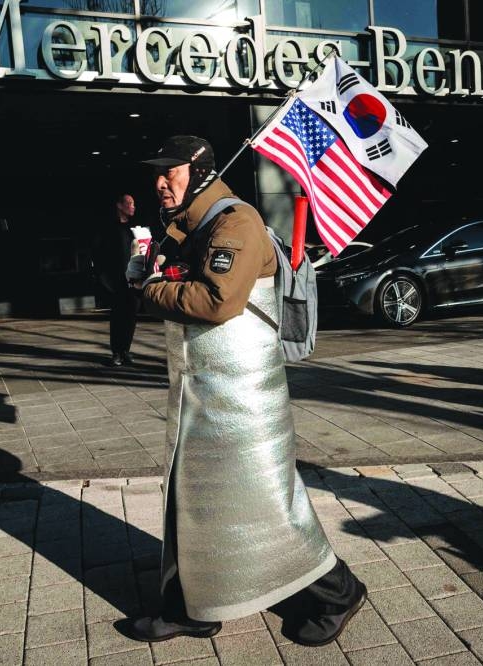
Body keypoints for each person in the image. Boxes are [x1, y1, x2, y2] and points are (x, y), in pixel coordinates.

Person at [122, 135, 366, 646]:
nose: (160, 181)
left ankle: (338, 591)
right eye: (157, 172)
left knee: (267, 505)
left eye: (172, 171)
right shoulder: (188, 225)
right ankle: (196, 608)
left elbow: (217, 300)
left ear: (202, 172)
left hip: (242, 399)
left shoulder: (236, 223)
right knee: (196, 502)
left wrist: (151, 290)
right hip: (204, 391)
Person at [92, 192, 140, 366]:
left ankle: (126, 350)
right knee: (118, 316)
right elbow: (98, 253)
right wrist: (104, 279)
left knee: (131, 315)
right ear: (119, 206)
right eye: (130, 203)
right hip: (116, 280)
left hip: (134, 279)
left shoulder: (137, 228)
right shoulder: (108, 227)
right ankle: (116, 352)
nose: (133, 206)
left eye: (134, 203)